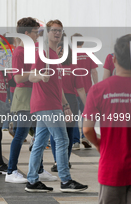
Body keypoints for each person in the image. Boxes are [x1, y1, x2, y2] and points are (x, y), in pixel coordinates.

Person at [25, 19, 88, 193]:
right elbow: (31, 76)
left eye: (59, 31)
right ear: (47, 33)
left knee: (39, 143)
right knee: (62, 140)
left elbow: (57, 85)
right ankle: (66, 181)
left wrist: (66, 105)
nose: (57, 33)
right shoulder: (42, 53)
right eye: (53, 30)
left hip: (52, 103)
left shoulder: (55, 55)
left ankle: (31, 180)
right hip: (45, 104)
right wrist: (41, 77)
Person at [6, 17, 56, 183]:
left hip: (34, 94)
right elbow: (18, 78)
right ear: (26, 34)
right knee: (21, 134)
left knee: (39, 134)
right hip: (24, 94)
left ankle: (39, 169)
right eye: (35, 32)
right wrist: (37, 74)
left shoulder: (31, 50)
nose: (38, 35)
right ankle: (11, 171)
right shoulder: (19, 52)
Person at [83, 34, 131, 204]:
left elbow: (87, 129)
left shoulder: (98, 90)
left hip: (112, 168)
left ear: (114, 59)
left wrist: (98, 144)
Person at [49, 42, 86, 172]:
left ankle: (59, 161)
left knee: (59, 133)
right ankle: (63, 160)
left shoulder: (53, 65)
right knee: (65, 133)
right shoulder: (71, 66)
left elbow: (81, 88)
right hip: (67, 100)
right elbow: (80, 89)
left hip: (60, 101)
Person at [71, 33, 98, 150]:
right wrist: (96, 86)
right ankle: (85, 137)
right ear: (83, 42)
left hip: (72, 90)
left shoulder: (69, 54)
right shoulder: (89, 53)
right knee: (86, 114)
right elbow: (94, 71)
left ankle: (76, 141)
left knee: (74, 116)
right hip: (86, 89)